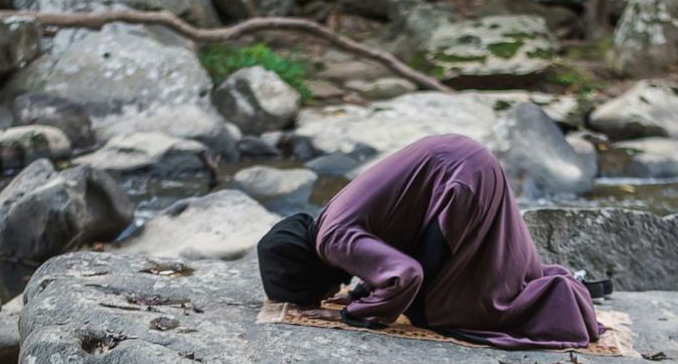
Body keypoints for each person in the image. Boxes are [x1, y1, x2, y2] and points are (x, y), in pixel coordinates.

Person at [257, 134, 603, 350]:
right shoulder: (327, 218)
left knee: (438, 311)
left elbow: (406, 275)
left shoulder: (332, 241)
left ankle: (555, 303)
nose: (328, 295)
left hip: (459, 182)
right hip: (465, 159)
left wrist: (355, 312)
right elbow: (389, 246)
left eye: (319, 292)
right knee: (497, 273)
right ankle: (551, 292)